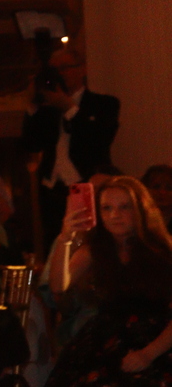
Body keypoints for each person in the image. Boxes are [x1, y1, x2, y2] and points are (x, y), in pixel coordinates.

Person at [28, 177, 172, 387]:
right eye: (106, 208)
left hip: (156, 340)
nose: (115, 215)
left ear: (141, 210)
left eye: (124, 207)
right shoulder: (97, 249)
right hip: (104, 338)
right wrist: (66, 238)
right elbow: (59, 287)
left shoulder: (162, 251)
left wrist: (149, 353)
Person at [20, 43, 119, 245]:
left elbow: (99, 140)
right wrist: (32, 107)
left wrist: (69, 108)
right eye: (54, 70)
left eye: (64, 68)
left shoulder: (105, 104)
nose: (60, 74)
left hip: (88, 185)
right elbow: (30, 145)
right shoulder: (47, 109)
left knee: (91, 243)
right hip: (52, 189)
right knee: (55, 242)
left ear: (82, 69)